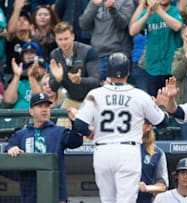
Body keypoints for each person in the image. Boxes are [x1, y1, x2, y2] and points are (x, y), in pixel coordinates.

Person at [73, 52, 169, 203]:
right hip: (127, 152)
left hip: (102, 151)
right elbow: (163, 122)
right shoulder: (139, 95)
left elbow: (79, 125)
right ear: (128, 72)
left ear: (108, 73)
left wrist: (90, 133)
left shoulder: (95, 94)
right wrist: (160, 106)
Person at [5, 92, 83, 203]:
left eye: (47, 106)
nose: (44, 109)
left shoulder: (59, 131)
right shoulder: (21, 135)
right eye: (40, 106)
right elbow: (7, 152)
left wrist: (76, 123)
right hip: (29, 195)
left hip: (55, 194)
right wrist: (11, 149)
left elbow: (76, 141)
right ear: (31, 111)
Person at [49, 22, 100, 128]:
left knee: (89, 137)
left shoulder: (88, 51)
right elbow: (52, 87)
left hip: (90, 100)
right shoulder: (55, 54)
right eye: (60, 39)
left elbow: (96, 80)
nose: (64, 43)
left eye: (66, 38)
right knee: (62, 132)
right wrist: (58, 79)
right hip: (71, 99)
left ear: (73, 36)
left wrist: (80, 80)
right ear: (56, 40)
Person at [129, 0, 183, 97]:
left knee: (172, 105)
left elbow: (177, 26)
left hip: (173, 67)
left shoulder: (176, 11)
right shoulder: (148, 13)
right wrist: (147, 14)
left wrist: (158, 10)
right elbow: (132, 31)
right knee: (154, 104)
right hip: (153, 68)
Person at [79, 0, 134, 80]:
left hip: (118, 56)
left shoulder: (126, 1)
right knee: (98, 90)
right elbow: (83, 25)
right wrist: (94, 6)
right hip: (97, 56)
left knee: (118, 90)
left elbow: (124, 24)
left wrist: (112, 9)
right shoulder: (94, 2)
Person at [4, 43, 46, 109]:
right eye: (31, 66)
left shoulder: (47, 84)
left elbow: (40, 102)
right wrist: (17, 76)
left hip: (34, 118)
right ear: (27, 70)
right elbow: (8, 100)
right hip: (16, 117)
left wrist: (32, 77)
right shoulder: (21, 83)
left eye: (38, 66)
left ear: (45, 70)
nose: (34, 69)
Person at [137, 120, 169, 203]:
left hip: (144, 200)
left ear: (148, 127)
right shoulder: (123, 148)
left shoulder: (157, 153)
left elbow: (163, 186)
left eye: (139, 123)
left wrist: (146, 188)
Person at [5, 0, 32, 76]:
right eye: (19, 20)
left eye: (25, 20)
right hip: (12, 76)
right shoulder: (12, 40)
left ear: (30, 25)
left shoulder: (35, 42)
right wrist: (17, 8)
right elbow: (10, 31)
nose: (22, 21)